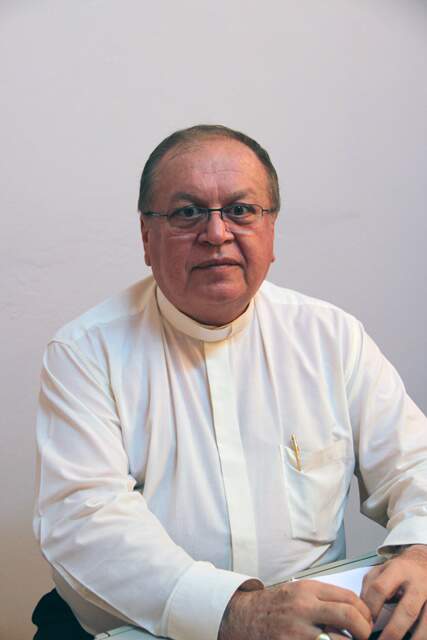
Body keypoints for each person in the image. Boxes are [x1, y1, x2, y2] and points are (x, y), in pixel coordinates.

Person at [33, 125, 427, 640]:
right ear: (147, 237)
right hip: (144, 628)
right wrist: (236, 612)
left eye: (241, 210)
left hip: (316, 624)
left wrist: (420, 551)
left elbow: (413, 464)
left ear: (271, 229)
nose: (217, 233)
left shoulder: (331, 337)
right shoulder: (84, 353)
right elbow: (84, 524)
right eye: (187, 212)